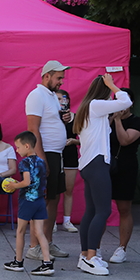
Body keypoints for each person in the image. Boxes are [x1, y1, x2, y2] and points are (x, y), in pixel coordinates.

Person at [74, 73, 132, 276]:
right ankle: (90, 257)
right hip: (97, 165)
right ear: (104, 90)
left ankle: (86, 256)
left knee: (91, 211)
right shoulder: (96, 105)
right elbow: (126, 101)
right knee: (103, 211)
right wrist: (114, 86)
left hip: (90, 164)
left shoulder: (89, 108)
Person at [25, 61, 71, 261]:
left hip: (56, 154)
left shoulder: (52, 96)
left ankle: (47, 242)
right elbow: (33, 129)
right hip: (46, 154)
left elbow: (51, 122)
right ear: (47, 76)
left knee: (54, 198)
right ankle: (35, 246)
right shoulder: (36, 95)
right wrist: (41, 158)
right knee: (43, 200)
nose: (61, 82)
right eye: (58, 78)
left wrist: (65, 120)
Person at [4, 131, 53, 276]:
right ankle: (47, 263)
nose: (17, 150)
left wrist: (14, 186)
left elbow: (27, 182)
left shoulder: (24, 162)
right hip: (40, 201)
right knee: (39, 232)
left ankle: (18, 261)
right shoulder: (41, 162)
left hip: (27, 200)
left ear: (27, 146)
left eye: (18, 147)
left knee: (20, 231)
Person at [108, 89, 140, 264]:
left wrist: (117, 119)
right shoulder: (105, 119)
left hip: (126, 168)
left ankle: (122, 248)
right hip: (106, 167)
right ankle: (95, 247)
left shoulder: (137, 122)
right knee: (101, 209)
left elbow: (124, 140)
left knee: (124, 209)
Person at [58, 89, 79, 233]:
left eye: (62, 99)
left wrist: (74, 141)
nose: (60, 102)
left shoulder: (76, 117)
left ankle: (67, 220)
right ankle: (51, 220)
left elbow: (85, 138)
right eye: (57, 99)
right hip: (54, 154)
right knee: (53, 190)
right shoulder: (50, 117)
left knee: (68, 189)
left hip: (70, 155)